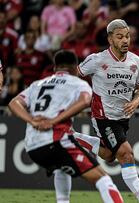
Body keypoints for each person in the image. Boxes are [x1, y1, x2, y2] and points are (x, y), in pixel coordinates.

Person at [8, 50, 124, 203]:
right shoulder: (77, 83)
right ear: (76, 68)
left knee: (62, 169)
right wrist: (53, 121)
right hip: (55, 141)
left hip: (32, 147)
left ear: (55, 68)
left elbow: (13, 103)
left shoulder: (37, 84)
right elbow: (85, 100)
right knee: (103, 180)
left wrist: (32, 120)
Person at [77, 19, 139, 203]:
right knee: (126, 153)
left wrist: (136, 101)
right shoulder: (97, 60)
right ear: (110, 39)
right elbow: (75, 75)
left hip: (123, 117)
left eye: (127, 36)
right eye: (120, 37)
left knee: (109, 155)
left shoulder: (136, 61)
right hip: (103, 116)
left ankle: (72, 137)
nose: (125, 40)